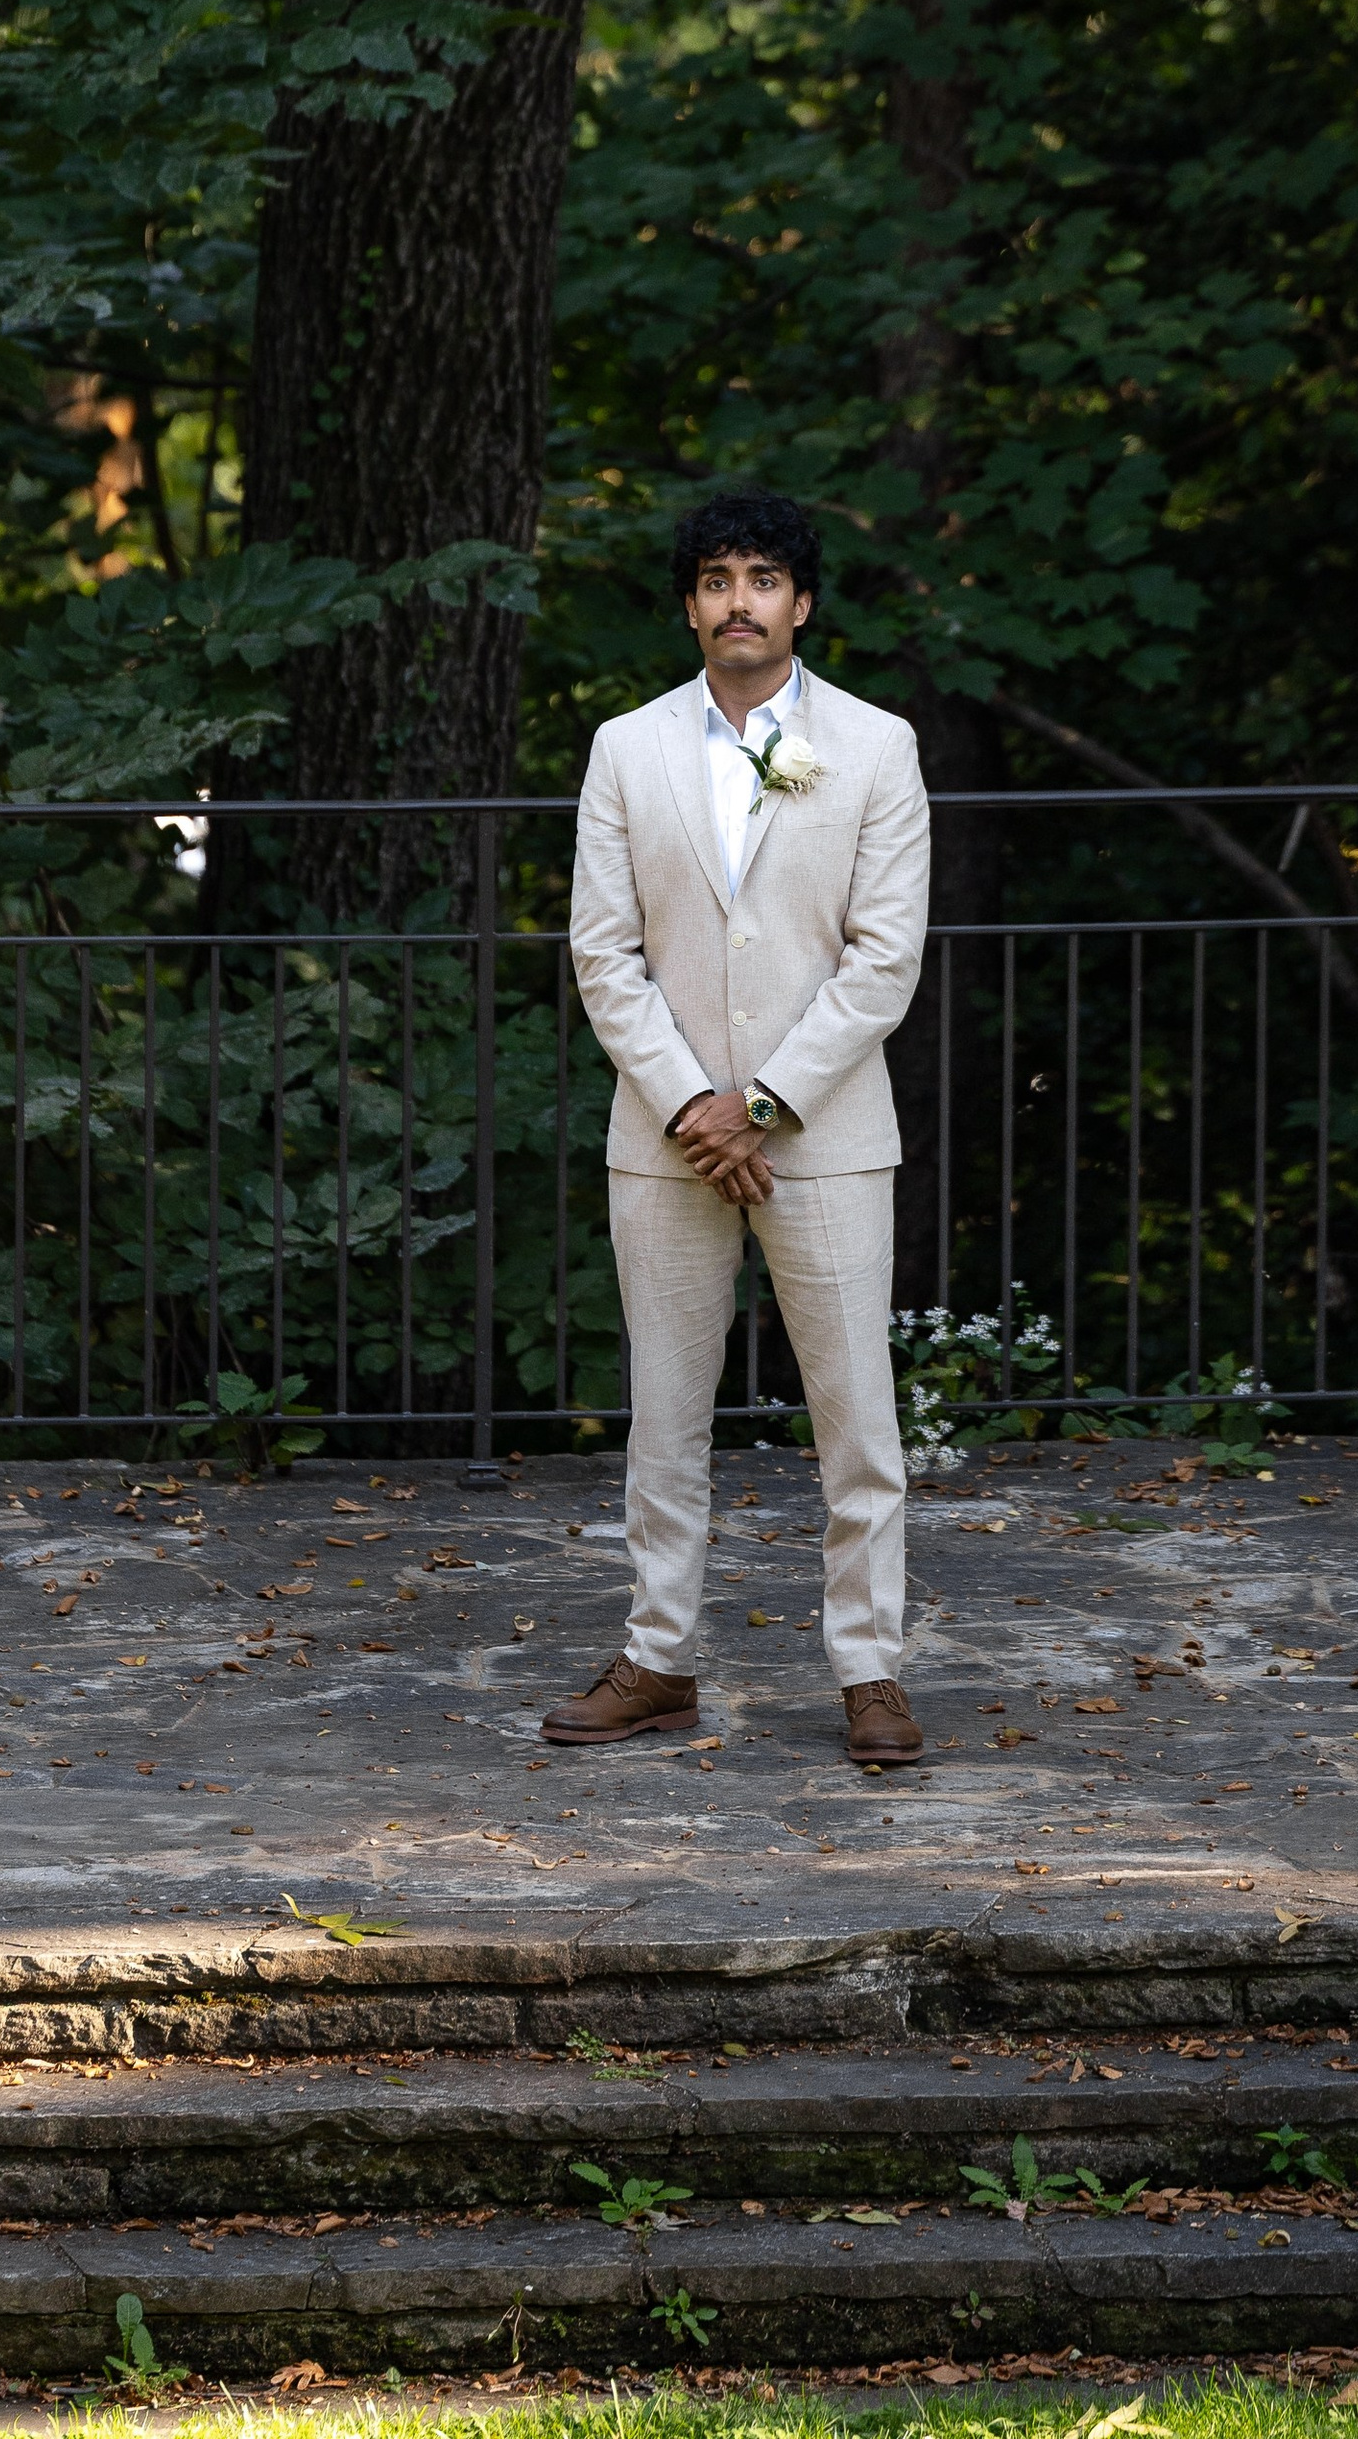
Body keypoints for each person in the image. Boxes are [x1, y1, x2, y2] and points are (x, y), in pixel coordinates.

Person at [552, 489, 932, 1771]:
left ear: (801, 603)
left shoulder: (876, 746)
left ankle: (870, 1671)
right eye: (714, 579)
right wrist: (690, 1106)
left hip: (822, 1134)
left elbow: (883, 962)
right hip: (662, 1139)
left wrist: (758, 1104)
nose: (737, 601)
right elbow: (603, 955)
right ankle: (659, 1659)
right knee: (664, 1417)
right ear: (690, 605)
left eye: (762, 578)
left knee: (854, 1419)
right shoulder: (625, 748)